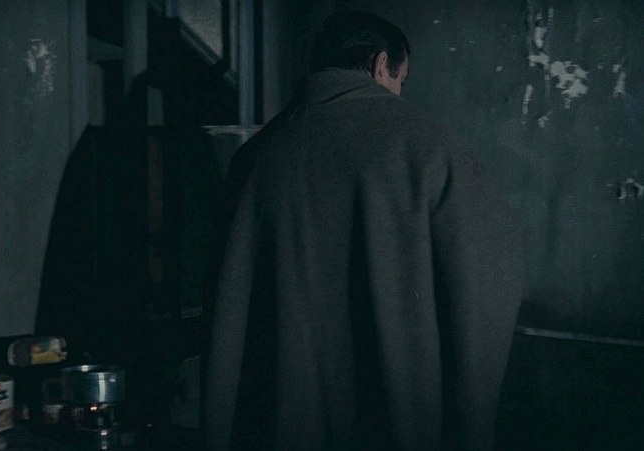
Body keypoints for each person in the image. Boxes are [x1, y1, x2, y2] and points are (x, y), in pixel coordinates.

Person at [202, 11, 524, 451]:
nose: (399, 93)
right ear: (380, 64)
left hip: (281, 415)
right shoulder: (430, 147)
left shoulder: (254, 159)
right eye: (401, 80)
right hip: (395, 415)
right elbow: (488, 284)